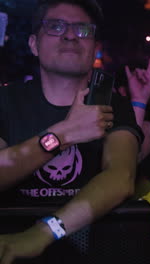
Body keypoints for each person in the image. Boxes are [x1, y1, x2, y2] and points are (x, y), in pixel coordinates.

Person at [0, 0, 141, 262]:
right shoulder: (6, 101)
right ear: (33, 44)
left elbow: (121, 177)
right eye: (55, 26)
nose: (69, 35)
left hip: (89, 252)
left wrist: (40, 234)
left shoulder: (112, 104)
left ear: (95, 48)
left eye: (82, 30)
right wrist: (62, 135)